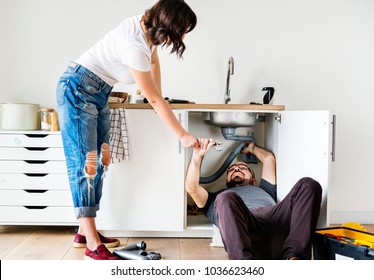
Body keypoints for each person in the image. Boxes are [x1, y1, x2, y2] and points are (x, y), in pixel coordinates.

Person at [56, 0, 198, 260]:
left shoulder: (146, 30)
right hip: (78, 90)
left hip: (97, 93)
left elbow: (154, 64)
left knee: (98, 162)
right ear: (169, 24)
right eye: (183, 30)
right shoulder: (134, 45)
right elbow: (155, 101)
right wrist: (183, 135)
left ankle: (84, 232)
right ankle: (91, 244)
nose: (184, 36)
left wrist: (157, 93)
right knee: (85, 164)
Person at [185, 138, 322, 260]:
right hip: (248, 232)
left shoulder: (264, 189)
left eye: (242, 168)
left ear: (254, 180)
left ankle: (295, 258)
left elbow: (268, 159)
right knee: (226, 197)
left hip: (277, 223)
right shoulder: (216, 199)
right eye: (232, 170)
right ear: (226, 180)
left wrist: (252, 148)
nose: (237, 170)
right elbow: (191, 187)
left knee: (308, 184)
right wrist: (197, 157)